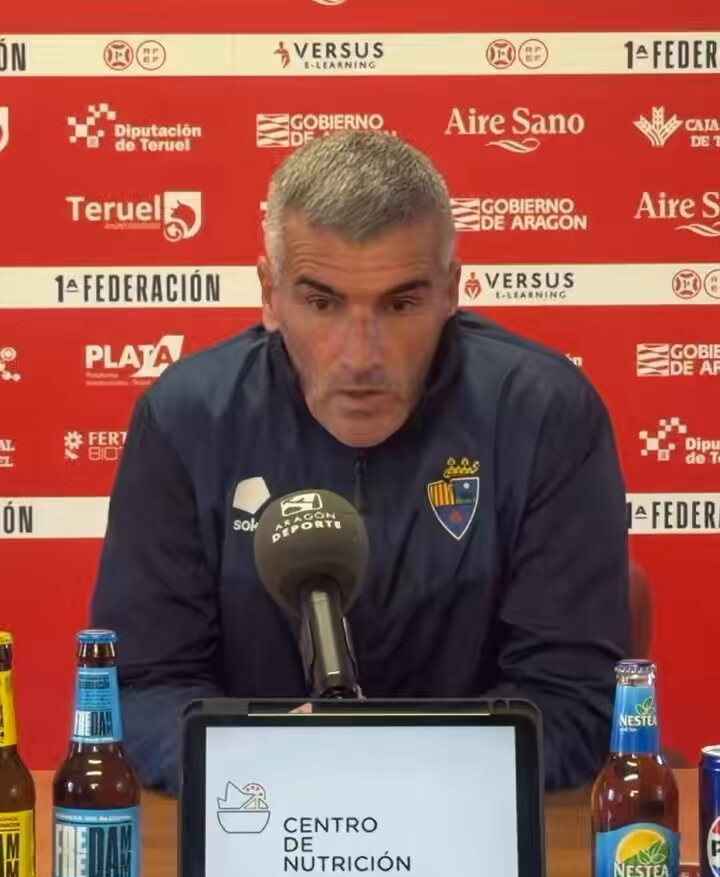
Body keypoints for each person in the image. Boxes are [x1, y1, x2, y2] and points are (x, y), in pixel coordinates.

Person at [91, 131, 630, 794]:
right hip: (255, 813)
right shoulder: (186, 419)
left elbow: (574, 700)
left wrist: (387, 768)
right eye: (322, 303)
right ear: (270, 293)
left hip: (468, 819)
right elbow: (140, 688)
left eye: (401, 304)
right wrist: (265, 760)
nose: (360, 356)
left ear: (451, 290)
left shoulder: (544, 413)